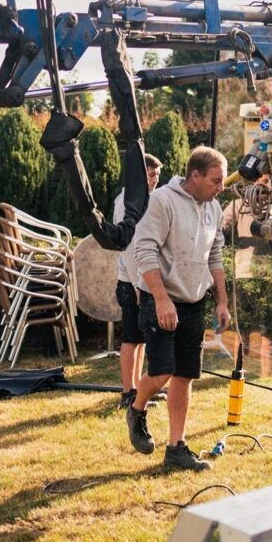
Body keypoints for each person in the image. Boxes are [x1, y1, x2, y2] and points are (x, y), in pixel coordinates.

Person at [126, 145, 230, 471]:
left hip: (193, 303)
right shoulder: (162, 202)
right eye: (215, 181)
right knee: (161, 373)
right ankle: (137, 408)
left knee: (184, 375)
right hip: (161, 300)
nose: (220, 188)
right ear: (194, 175)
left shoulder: (213, 207)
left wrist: (223, 301)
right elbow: (144, 251)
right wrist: (160, 298)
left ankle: (176, 449)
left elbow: (215, 256)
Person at [221, 173, 272, 376]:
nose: (264, 181)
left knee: (269, 330)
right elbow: (220, 225)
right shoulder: (239, 205)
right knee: (242, 329)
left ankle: (266, 376)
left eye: (268, 178)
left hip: (270, 275)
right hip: (244, 272)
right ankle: (238, 372)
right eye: (261, 177)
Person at [114, 153, 163, 410]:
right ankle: (127, 392)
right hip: (131, 281)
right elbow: (130, 248)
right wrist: (136, 285)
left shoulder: (148, 199)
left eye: (157, 175)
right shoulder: (127, 202)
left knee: (142, 339)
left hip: (141, 281)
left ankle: (139, 388)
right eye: (150, 175)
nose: (155, 180)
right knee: (131, 339)